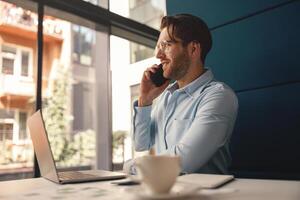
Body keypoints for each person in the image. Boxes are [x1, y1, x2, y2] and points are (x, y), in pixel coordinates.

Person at [131, 14, 238, 174]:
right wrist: (145, 100)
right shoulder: (165, 97)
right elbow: (141, 143)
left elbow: (182, 161)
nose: (158, 55)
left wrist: (130, 167)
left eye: (166, 45)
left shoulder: (219, 96)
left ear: (193, 49)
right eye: (158, 47)